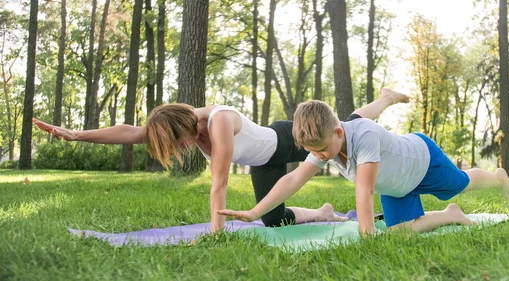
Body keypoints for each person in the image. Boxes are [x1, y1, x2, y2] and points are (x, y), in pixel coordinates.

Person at [33, 89, 409, 232]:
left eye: (177, 144)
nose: (179, 150)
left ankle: (386, 98)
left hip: (281, 142)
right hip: (265, 162)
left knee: (349, 124)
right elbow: (132, 131)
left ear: (186, 128)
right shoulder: (179, 123)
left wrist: (216, 232)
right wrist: (77, 134)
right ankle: (324, 212)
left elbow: (220, 182)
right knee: (272, 220)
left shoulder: (220, 122)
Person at [219, 100, 509, 235]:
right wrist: (256, 212)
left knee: (460, 183)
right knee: (400, 232)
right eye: (312, 152)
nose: (319, 156)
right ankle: (450, 214)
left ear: (338, 133)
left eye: (321, 149)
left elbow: (366, 189)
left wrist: (365, 235)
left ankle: (497, 177)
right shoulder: (326, 148)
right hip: (397, 186)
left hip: (423, 162)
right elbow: (294, 178)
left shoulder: (365, 136)